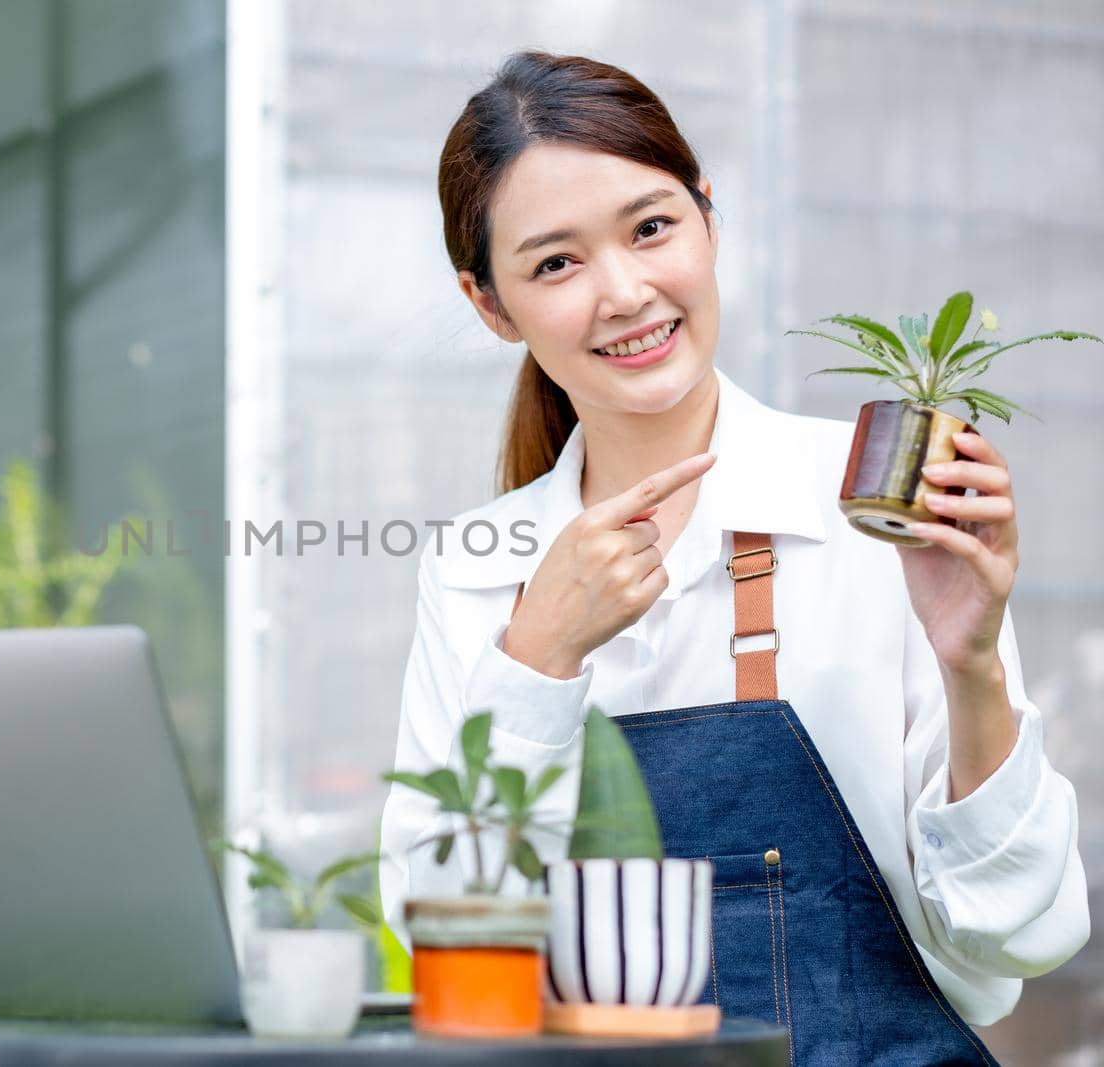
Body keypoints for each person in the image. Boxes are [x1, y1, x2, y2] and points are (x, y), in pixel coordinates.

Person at [379, 51, 1088, 1064]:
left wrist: (969, 661)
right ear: (490, 304)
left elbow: (1022, 933)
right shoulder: (477, 569)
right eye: (554, 263)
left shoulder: (876, 511)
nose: (623, 291)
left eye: (650, 228)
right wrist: (534, 658)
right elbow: (440, 934)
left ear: (709, 219)